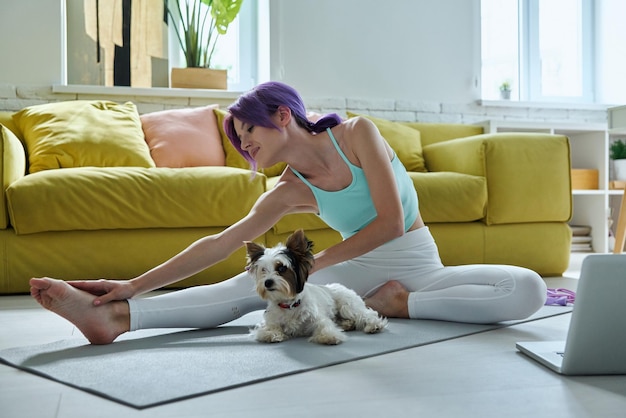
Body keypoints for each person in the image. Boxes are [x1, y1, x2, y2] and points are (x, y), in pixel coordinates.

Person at [30, 82, 547, 345]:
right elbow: (220, 243)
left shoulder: (357, 134)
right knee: (245, 289)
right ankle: (117, 319)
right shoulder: (287, 190)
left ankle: (398, 305)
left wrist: (310, 268)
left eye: (247, 134)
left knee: (529, 289)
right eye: (238, 142)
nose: (243, 147)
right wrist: (132, 285)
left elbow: (389, 223)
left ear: (281, 117)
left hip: (420, 264)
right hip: (358, 271)